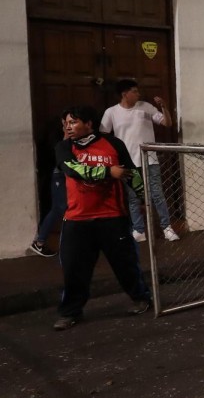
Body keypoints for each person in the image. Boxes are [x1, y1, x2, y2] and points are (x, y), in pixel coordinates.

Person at [53, 106, 153, 331]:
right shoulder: (63, 147)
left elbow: (131, 173)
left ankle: (141, 298)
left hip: (112, 217)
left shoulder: (113, 144)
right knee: (74, 269)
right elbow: (74, 170)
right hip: (77, 220)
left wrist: (142, 197)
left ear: (89, 124)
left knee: (125, 263)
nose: (68, 126)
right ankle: (70, 312)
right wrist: (109, 171)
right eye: (66, 122)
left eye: (74, 122)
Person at [101, 79, 179, 243]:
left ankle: (167, 228)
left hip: (149, 159)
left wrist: (164, 107)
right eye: (134, 91)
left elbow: (167, 123)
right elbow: (104, 136)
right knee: (133, 197)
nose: (138, 94)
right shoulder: (111, 112)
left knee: (157, 194)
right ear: (125, 94)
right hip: (128, 162)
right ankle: (139, 230)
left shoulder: (146, 107)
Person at [30, 112, 71, 257]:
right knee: (59, 208)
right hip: (57, 173)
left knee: (66, 208)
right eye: (68, 121)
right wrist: (66, 134)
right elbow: (59, 152)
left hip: (64, 173)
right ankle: (39, 242)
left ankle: (69, 244)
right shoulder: (54, 133)